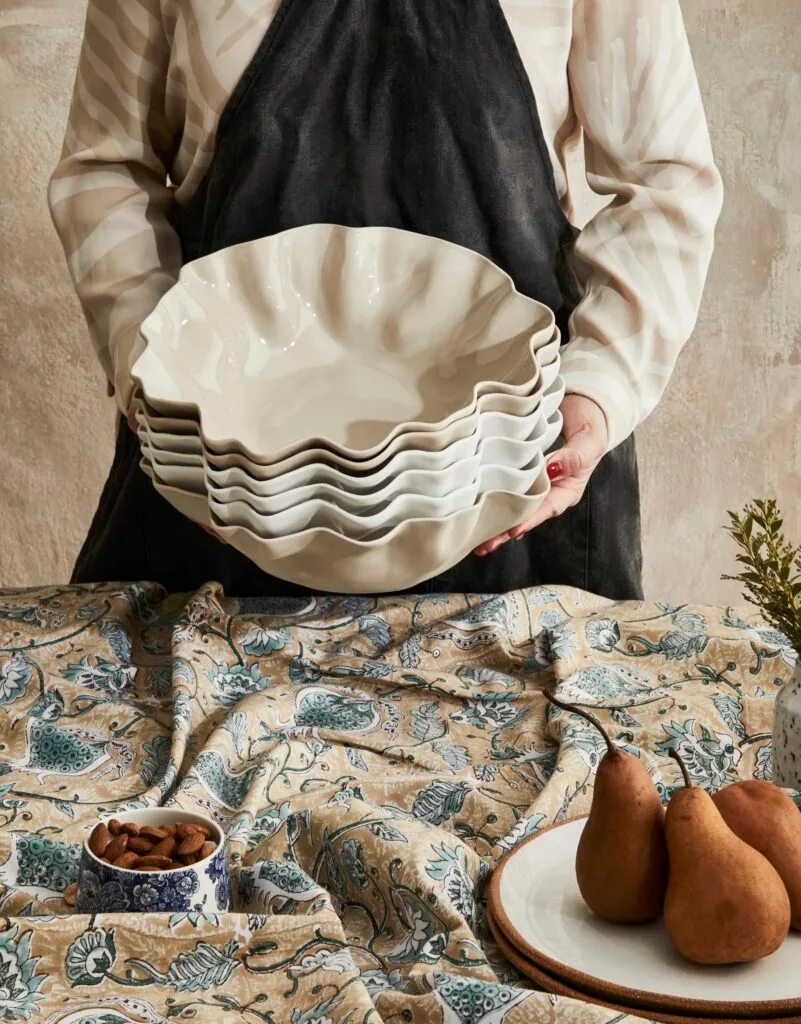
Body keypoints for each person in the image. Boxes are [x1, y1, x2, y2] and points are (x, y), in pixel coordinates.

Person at [49, 0, 722, 601]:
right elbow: (108, 167)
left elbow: (663, 182)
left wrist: (597, 387)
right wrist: (152, 370)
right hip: (222, 496)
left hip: (514, 486)